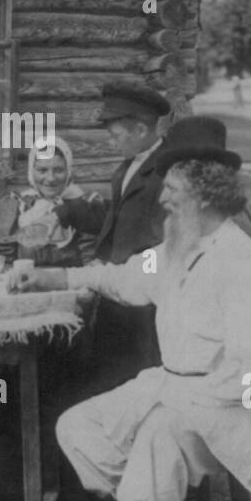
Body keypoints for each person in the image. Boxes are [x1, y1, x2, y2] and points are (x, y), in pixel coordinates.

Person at [10, 117, 251, 501]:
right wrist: (53, 276)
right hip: (177, 386)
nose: (162, 198)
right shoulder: (177, 250)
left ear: (203, 193)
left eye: (171, 187)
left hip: (238, 407)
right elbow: (120, 278)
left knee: (157, 440)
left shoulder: (246, 268)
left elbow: (250, 374)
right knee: (79, 425)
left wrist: (178, 404)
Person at [55, 83, 178, 394]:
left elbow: (162, 244)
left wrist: (129, 275)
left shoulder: (166, 173)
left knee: (136, 382)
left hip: (143, 303)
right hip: (117, 293)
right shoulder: (129, 167)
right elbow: (120, 220)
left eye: (114, 134)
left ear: (139, 129)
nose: (110, 141)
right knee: (109, 379)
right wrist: (67, 212)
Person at [0, 135, 101, 267]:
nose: (50, 178)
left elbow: (91, 263)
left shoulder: (83, 206)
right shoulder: (15, 205)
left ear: (69, 171)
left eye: (58, 170)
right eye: (42, 170)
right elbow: (2, 263)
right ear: (31, 170)